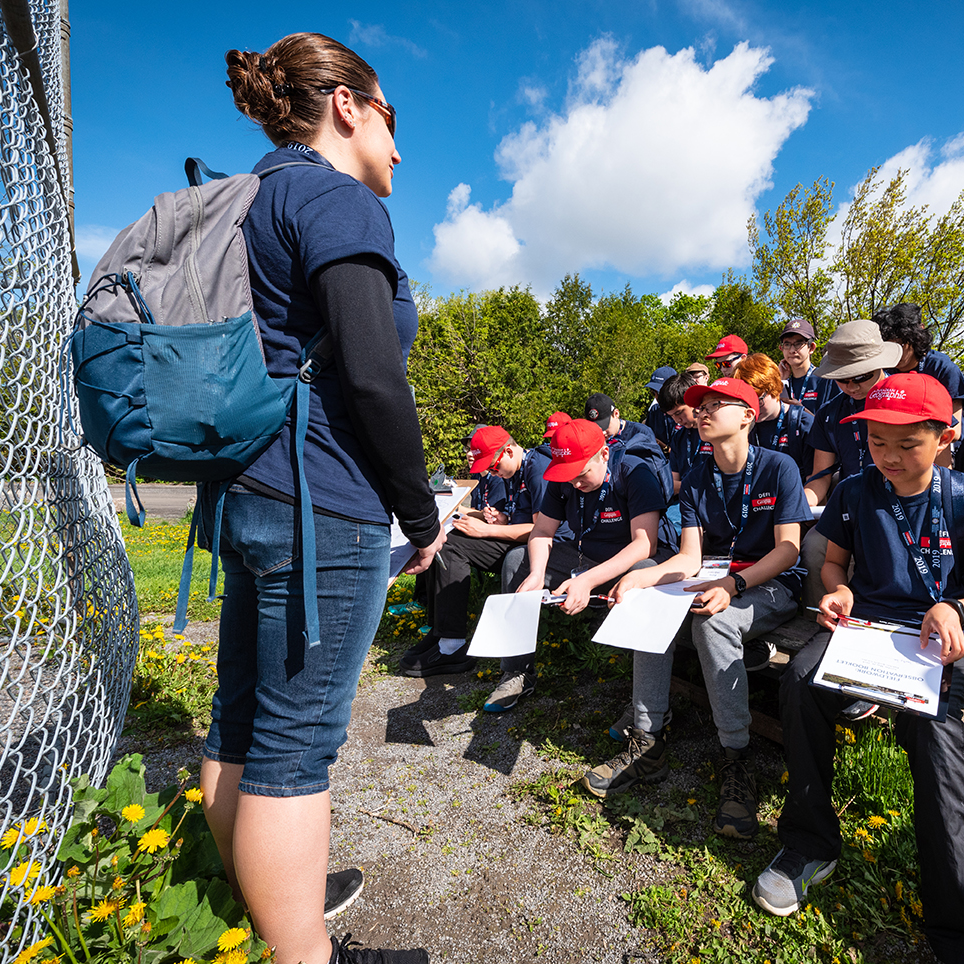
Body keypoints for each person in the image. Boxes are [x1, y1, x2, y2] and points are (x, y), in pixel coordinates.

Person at [204, 33, 446, 964]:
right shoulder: (337, 199)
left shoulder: (252, 191)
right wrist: (420, 517)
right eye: (393, 117)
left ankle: (264, 912)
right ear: (347, 104)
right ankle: (306, 952)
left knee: (240, 717)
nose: (399, 144)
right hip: (322, 502)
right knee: (296, 749)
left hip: (249, 488)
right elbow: (376, 380)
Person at [756, 372, 964, 964]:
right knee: (801, 681)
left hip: (946, 638)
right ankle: (808, 843)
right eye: (878, 442)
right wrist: (838, 594)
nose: (891, 457)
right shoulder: (855, 492)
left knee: (934, 731)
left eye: (908, 443)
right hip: (868, 634)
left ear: (944, 436)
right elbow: (833, 566)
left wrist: (955, 607)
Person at [584, 378, 813, 840]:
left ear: (748, 416)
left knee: (714, 623)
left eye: (715, 404)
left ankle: (737, 758)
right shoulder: (696, 476)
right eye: (700, 406)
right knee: (649, 604)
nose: (702, 412)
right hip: (715, 576)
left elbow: (788, 550)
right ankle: (648, 744)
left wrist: (733, 583)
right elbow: (689, 558)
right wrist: (640, 578)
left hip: (770, 584)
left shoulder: (779, 467)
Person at [489, 419, 670, 711]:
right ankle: (517, 671)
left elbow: (643, 544)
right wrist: (537, 573)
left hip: (632, 562)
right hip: (585, 557)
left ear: (604, 455)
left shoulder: (634, 472)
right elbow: (542, 532)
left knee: (641, 573)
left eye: (581, 473)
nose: (574, 483)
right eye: (568, 475)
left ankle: (642, 705)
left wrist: (587, 581)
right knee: (517, 560)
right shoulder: (563, 479)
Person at [400, 425, 550, 676]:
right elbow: (517, 517)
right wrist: (499, 518)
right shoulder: (512, 471)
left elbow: (542, 530)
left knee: (450, 543)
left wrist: (487, 531)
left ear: (509, 451)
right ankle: (439, 632)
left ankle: (451, 645)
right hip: (515, 538)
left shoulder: (536, 470)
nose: (493, 473)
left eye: (493, 467)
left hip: (539, 549)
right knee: (445, 537)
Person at [798, 320, 903, 608]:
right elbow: (821, 475)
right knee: (814, 546)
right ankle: (820, 619)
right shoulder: (829, 413)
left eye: (861, 377)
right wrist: (801, 504)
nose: (852, 386)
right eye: (843, 379)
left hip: (901, 502)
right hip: (850, 504)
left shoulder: (905, 398)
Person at [874, 303, 964, 467]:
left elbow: (956, 431)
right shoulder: (881, 369)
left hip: (936, 450)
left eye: (900, 345)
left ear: (915, 338)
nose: (895, 352)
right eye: (888, 347)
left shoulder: (943, 369)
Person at [734, 353, 815, 480]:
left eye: (758, 400)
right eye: (746, 403)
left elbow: (815, 481)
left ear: (774, 389)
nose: (753, 408)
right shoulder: (741, 426)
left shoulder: (803, 424)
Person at [660, 372, 714, 497]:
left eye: (679, 413)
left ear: (693, 401)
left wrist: (684, 485)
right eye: (671, 416)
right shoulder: (679, 438)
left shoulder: (715, 432)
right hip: (684, 501)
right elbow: (672, 484)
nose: (676, 420)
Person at [778, 318, 839, 414]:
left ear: (811, 348)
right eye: (787, 344)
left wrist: (800, 410)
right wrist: (780, 381)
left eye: (798, 344)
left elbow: (831, 426)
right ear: (781, 348)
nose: (792, 350)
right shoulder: (783, 384)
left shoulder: (827, 380)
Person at [642, 366, 679, 448]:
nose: (656, 397)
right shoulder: (654, 411)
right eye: (653, 392)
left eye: (659, 392)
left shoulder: (685, 412)